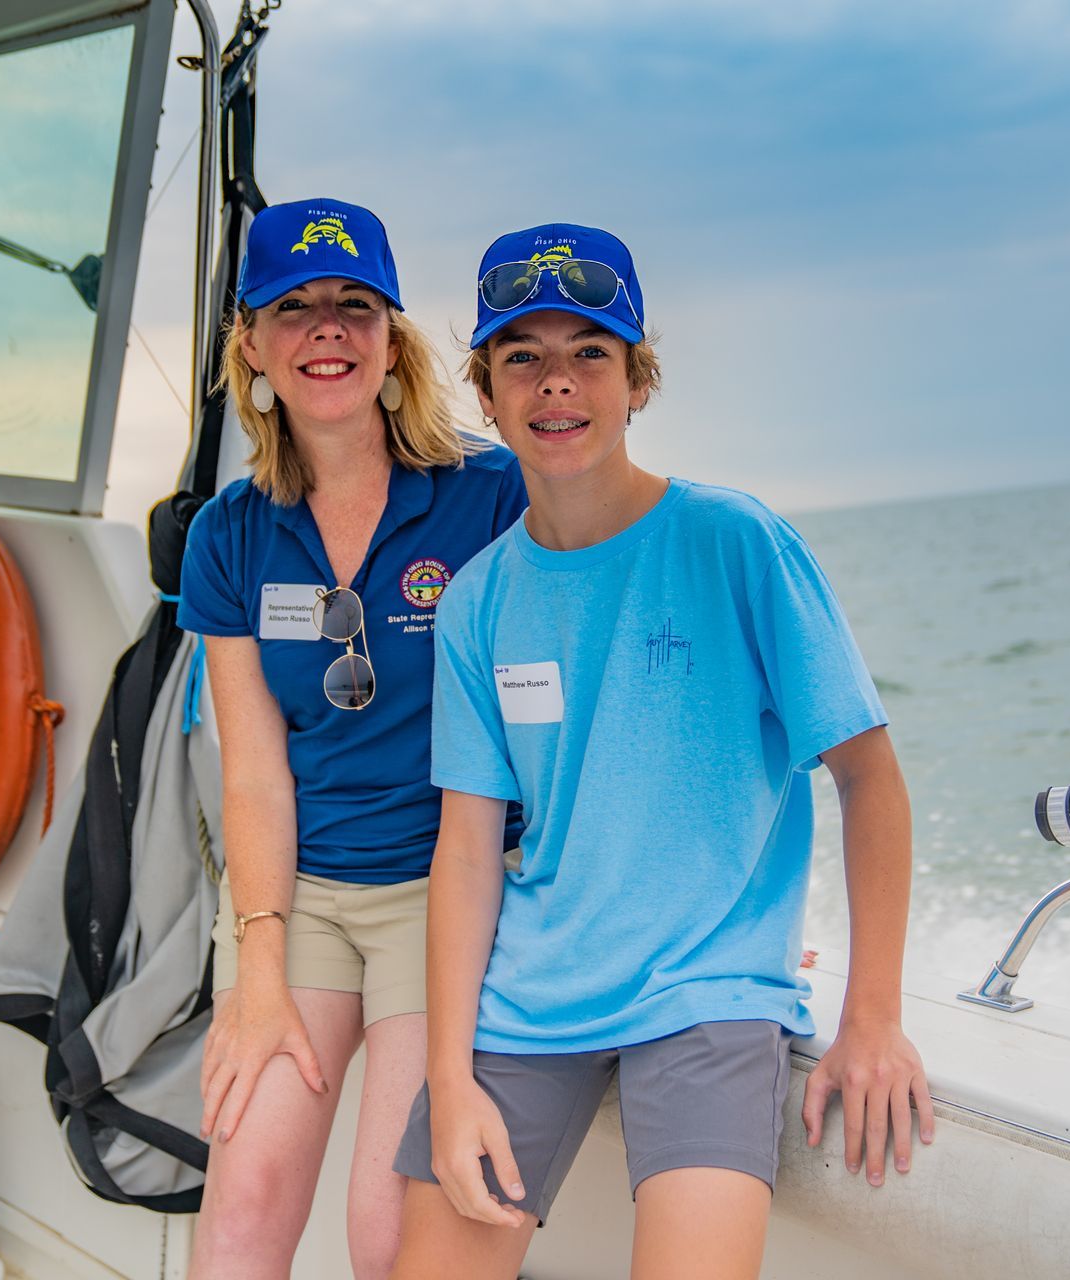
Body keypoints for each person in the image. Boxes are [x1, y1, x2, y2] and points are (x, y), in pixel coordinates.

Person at [388, 225, 934, 1279]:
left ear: (638, 380)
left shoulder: (737, 540)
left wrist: (874, 1015)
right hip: (533, 995)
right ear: (487, 394)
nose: (557, 383)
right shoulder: (475, 603)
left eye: (590, 351)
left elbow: (871, 778)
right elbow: (466, 853)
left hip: (708, 987)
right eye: (522, 358)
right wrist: (450, 1078)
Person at [176, 197, 526, 1279]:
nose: (325, 329)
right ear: (250, 342)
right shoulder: (227, 533)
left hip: (445, 893)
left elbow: (578, 707)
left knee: (388, 1238)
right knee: (238, 1223)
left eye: (353, 306)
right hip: (302, 897)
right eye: (294, 307)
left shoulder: (492, 494)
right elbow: (256, 776)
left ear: (390, 337)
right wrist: (259, 967)